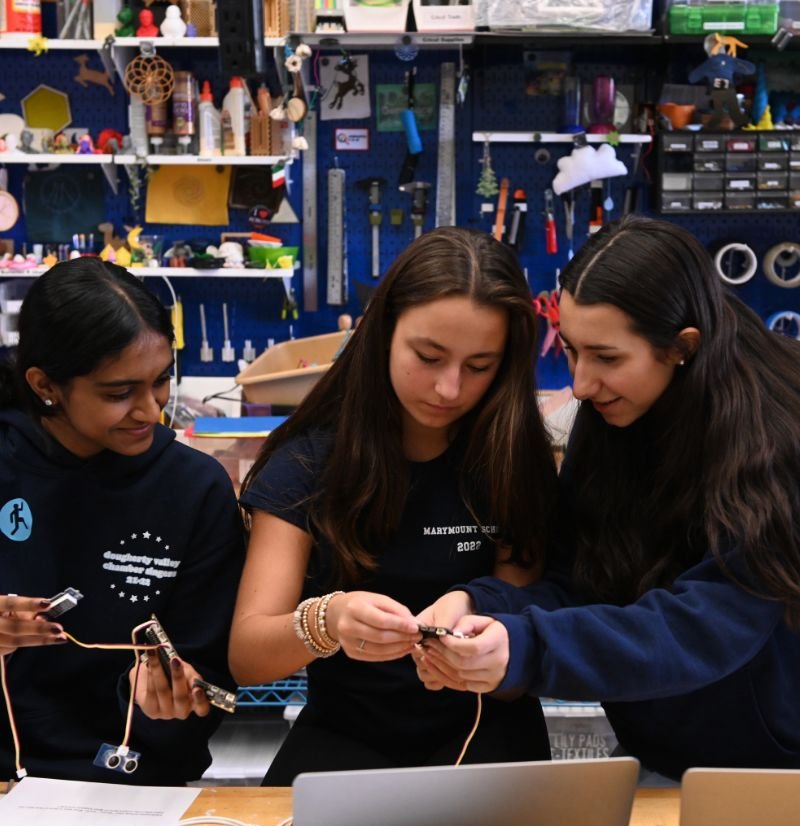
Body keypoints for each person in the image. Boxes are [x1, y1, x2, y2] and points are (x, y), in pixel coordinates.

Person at [414, 215, 800, 781]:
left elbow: (705, 627)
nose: (580, 383)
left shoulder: (779, 437)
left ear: (682, 347)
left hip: (777, 770)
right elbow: (579, 578)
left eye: (607, 357)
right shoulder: (611, 413)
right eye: (572, 350)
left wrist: (526, 647)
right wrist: (483, 605)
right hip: (660, 753)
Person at [230, 227, 559, 784]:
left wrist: (484, 648)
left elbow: (525, 620)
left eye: (479, 365)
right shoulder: (308, 463)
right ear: (382, 333)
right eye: (428, 357)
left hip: (487, 729)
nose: (449, 388)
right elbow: (248, 657)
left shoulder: (514, 460)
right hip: (347, 735)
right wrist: (328, 620)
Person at [0, 258, 245, 785]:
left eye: (161, 382)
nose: (150, 410)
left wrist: (178, 694)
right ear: (45, 384)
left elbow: (209, 666)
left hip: (133, 783)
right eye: (118, 393)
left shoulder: (193, 489)